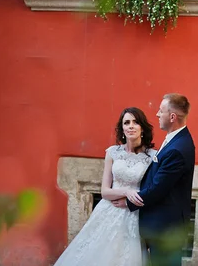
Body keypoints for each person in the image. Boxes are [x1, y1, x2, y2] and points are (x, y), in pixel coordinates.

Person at [54, 107, 157, 266]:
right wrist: (126, 191)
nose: (130, 126)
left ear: (142, 127)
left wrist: (132, 198)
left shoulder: (152, 156)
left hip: (134, 214)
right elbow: (104, 191)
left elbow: (153, 190)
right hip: (109, 211)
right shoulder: (112, 153)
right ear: (122, 128)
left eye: (135, 122)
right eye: (126, 122)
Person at [113, 93, 196, 266]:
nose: (157, 114)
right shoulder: (175, 139)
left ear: (172, 116)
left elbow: (158, 188)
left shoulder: (178, 148)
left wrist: (129, 203)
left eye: (161, 111)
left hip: (166, 228)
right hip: (158, 222)